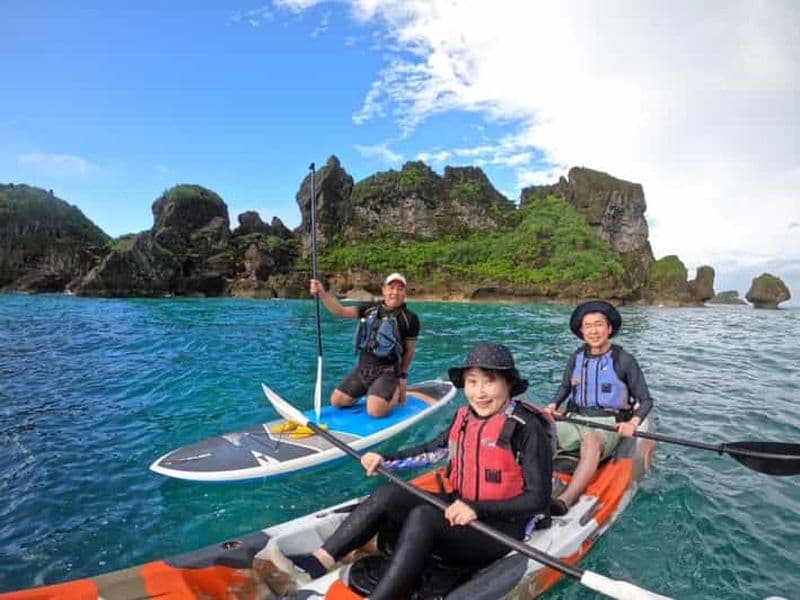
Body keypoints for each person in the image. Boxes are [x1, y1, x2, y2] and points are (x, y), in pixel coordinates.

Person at [265, 343, 553, 599]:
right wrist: (384, 459)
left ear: (508, 384)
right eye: (472, 382)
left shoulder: (527, 429)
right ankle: (319, 561)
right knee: (388, 493)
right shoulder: (464, 417)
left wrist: (476, 508)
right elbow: (431, 450)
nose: (479, 392)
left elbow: (537, 500)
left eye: (489, 382)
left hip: (499, 531)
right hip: (460, 512)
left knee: (424, 517)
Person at [545, 300, 654, 516]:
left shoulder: (623, 360)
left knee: (591, 442)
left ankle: (565, 500)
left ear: (609, 328)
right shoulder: (576, 358)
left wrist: (633, 422)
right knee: (539, 428)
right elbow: (565, 387)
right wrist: (554, 404)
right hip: (575, 418)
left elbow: (646, 400)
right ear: (581, 331)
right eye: (588, 326)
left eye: (599, 325)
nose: (593, 331)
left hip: (608, 423)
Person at [309, 272, 420, 418]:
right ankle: (373, 391)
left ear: (404, 293)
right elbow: (339, 311)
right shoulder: (369, 309)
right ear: (384, 290)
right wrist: (322, 294)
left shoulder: (410, 319)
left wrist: (402, 377)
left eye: (400, 288)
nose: (395, 292)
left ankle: (395, 391)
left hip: (387, 371)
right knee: (337, 401)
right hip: (363, 369)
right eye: (391, 287)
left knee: (375, 412)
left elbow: (410, 351)